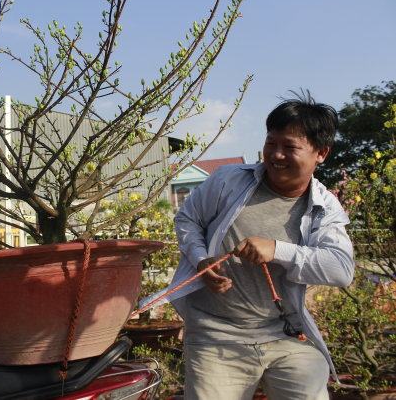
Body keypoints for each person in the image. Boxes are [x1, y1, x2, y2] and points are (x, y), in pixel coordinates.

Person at [144, 94, 354, 399]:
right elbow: (187, 220)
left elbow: (341, 269)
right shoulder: (229, 180)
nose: (276, 155)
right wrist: (201, 261)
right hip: (216, 333)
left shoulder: (325, 208)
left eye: (290, 147)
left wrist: (277, 249)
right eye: (271, 143)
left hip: (285, 333)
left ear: (321, 153)